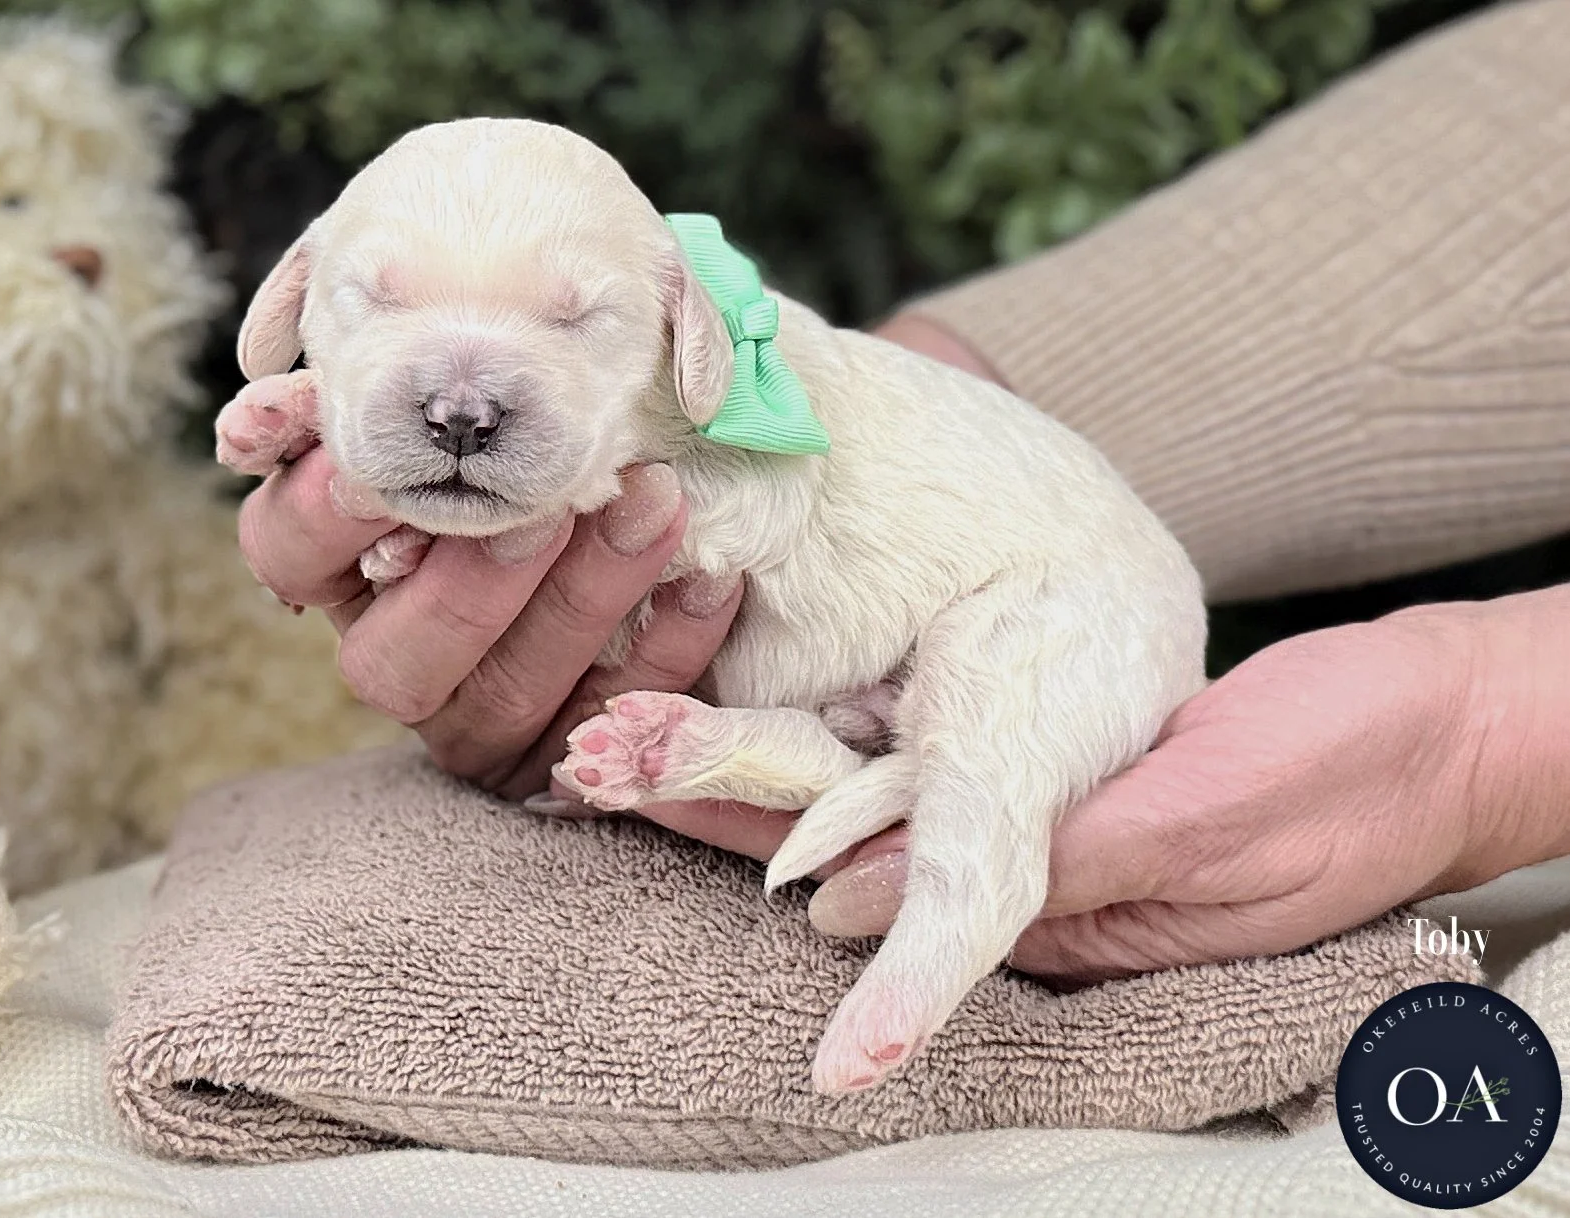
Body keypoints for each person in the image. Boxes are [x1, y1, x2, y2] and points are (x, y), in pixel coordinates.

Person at [236, 0, 1570, 981]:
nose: (463, 403)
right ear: (290, 301)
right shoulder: (705, 355)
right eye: (379, 306)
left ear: (669, 320)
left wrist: (1498, 722)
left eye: (571, 320)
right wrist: (911, 399)